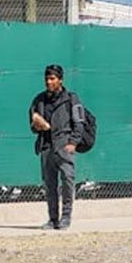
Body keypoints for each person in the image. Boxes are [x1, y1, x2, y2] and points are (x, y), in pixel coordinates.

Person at [28, 64, 79, 230]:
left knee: (67, 182)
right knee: (50, 185)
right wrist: (38, 125)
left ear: (60, 80)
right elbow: (32, 123)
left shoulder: (71, 99)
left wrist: (72, 143)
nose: (48, 82)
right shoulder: (39, 100)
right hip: (46, 147)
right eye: (47, 79)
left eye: (52, 79)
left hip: (64, 146)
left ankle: (66, 217)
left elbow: (79, 123)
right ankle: (53, 219)